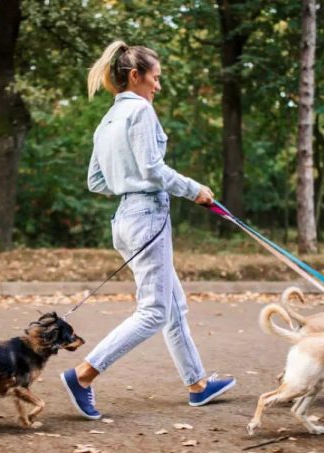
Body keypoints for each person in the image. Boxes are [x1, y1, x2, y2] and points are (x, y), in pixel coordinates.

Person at [60, 41, 236, 419]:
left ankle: (198, 384)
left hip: (124, 220)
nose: (158, 86)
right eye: (155, 78)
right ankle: (84, 374)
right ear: (135, 76)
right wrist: (196, 191)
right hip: (147, 217)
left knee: (173, 305)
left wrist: (126, 182)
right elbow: (154, 170)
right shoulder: (140, 111)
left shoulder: (107, 121)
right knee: (155, 310)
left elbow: (95, 181)